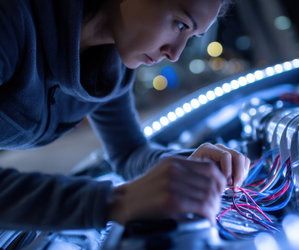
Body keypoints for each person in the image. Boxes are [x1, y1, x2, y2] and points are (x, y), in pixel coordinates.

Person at [0, 0, 250, 230]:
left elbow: (129, 152)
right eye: (180, 24)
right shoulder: (10, 20)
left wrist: (185, 166)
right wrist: (111, 202)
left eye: (191, 36)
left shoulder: (111, 66)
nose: (174, 54)